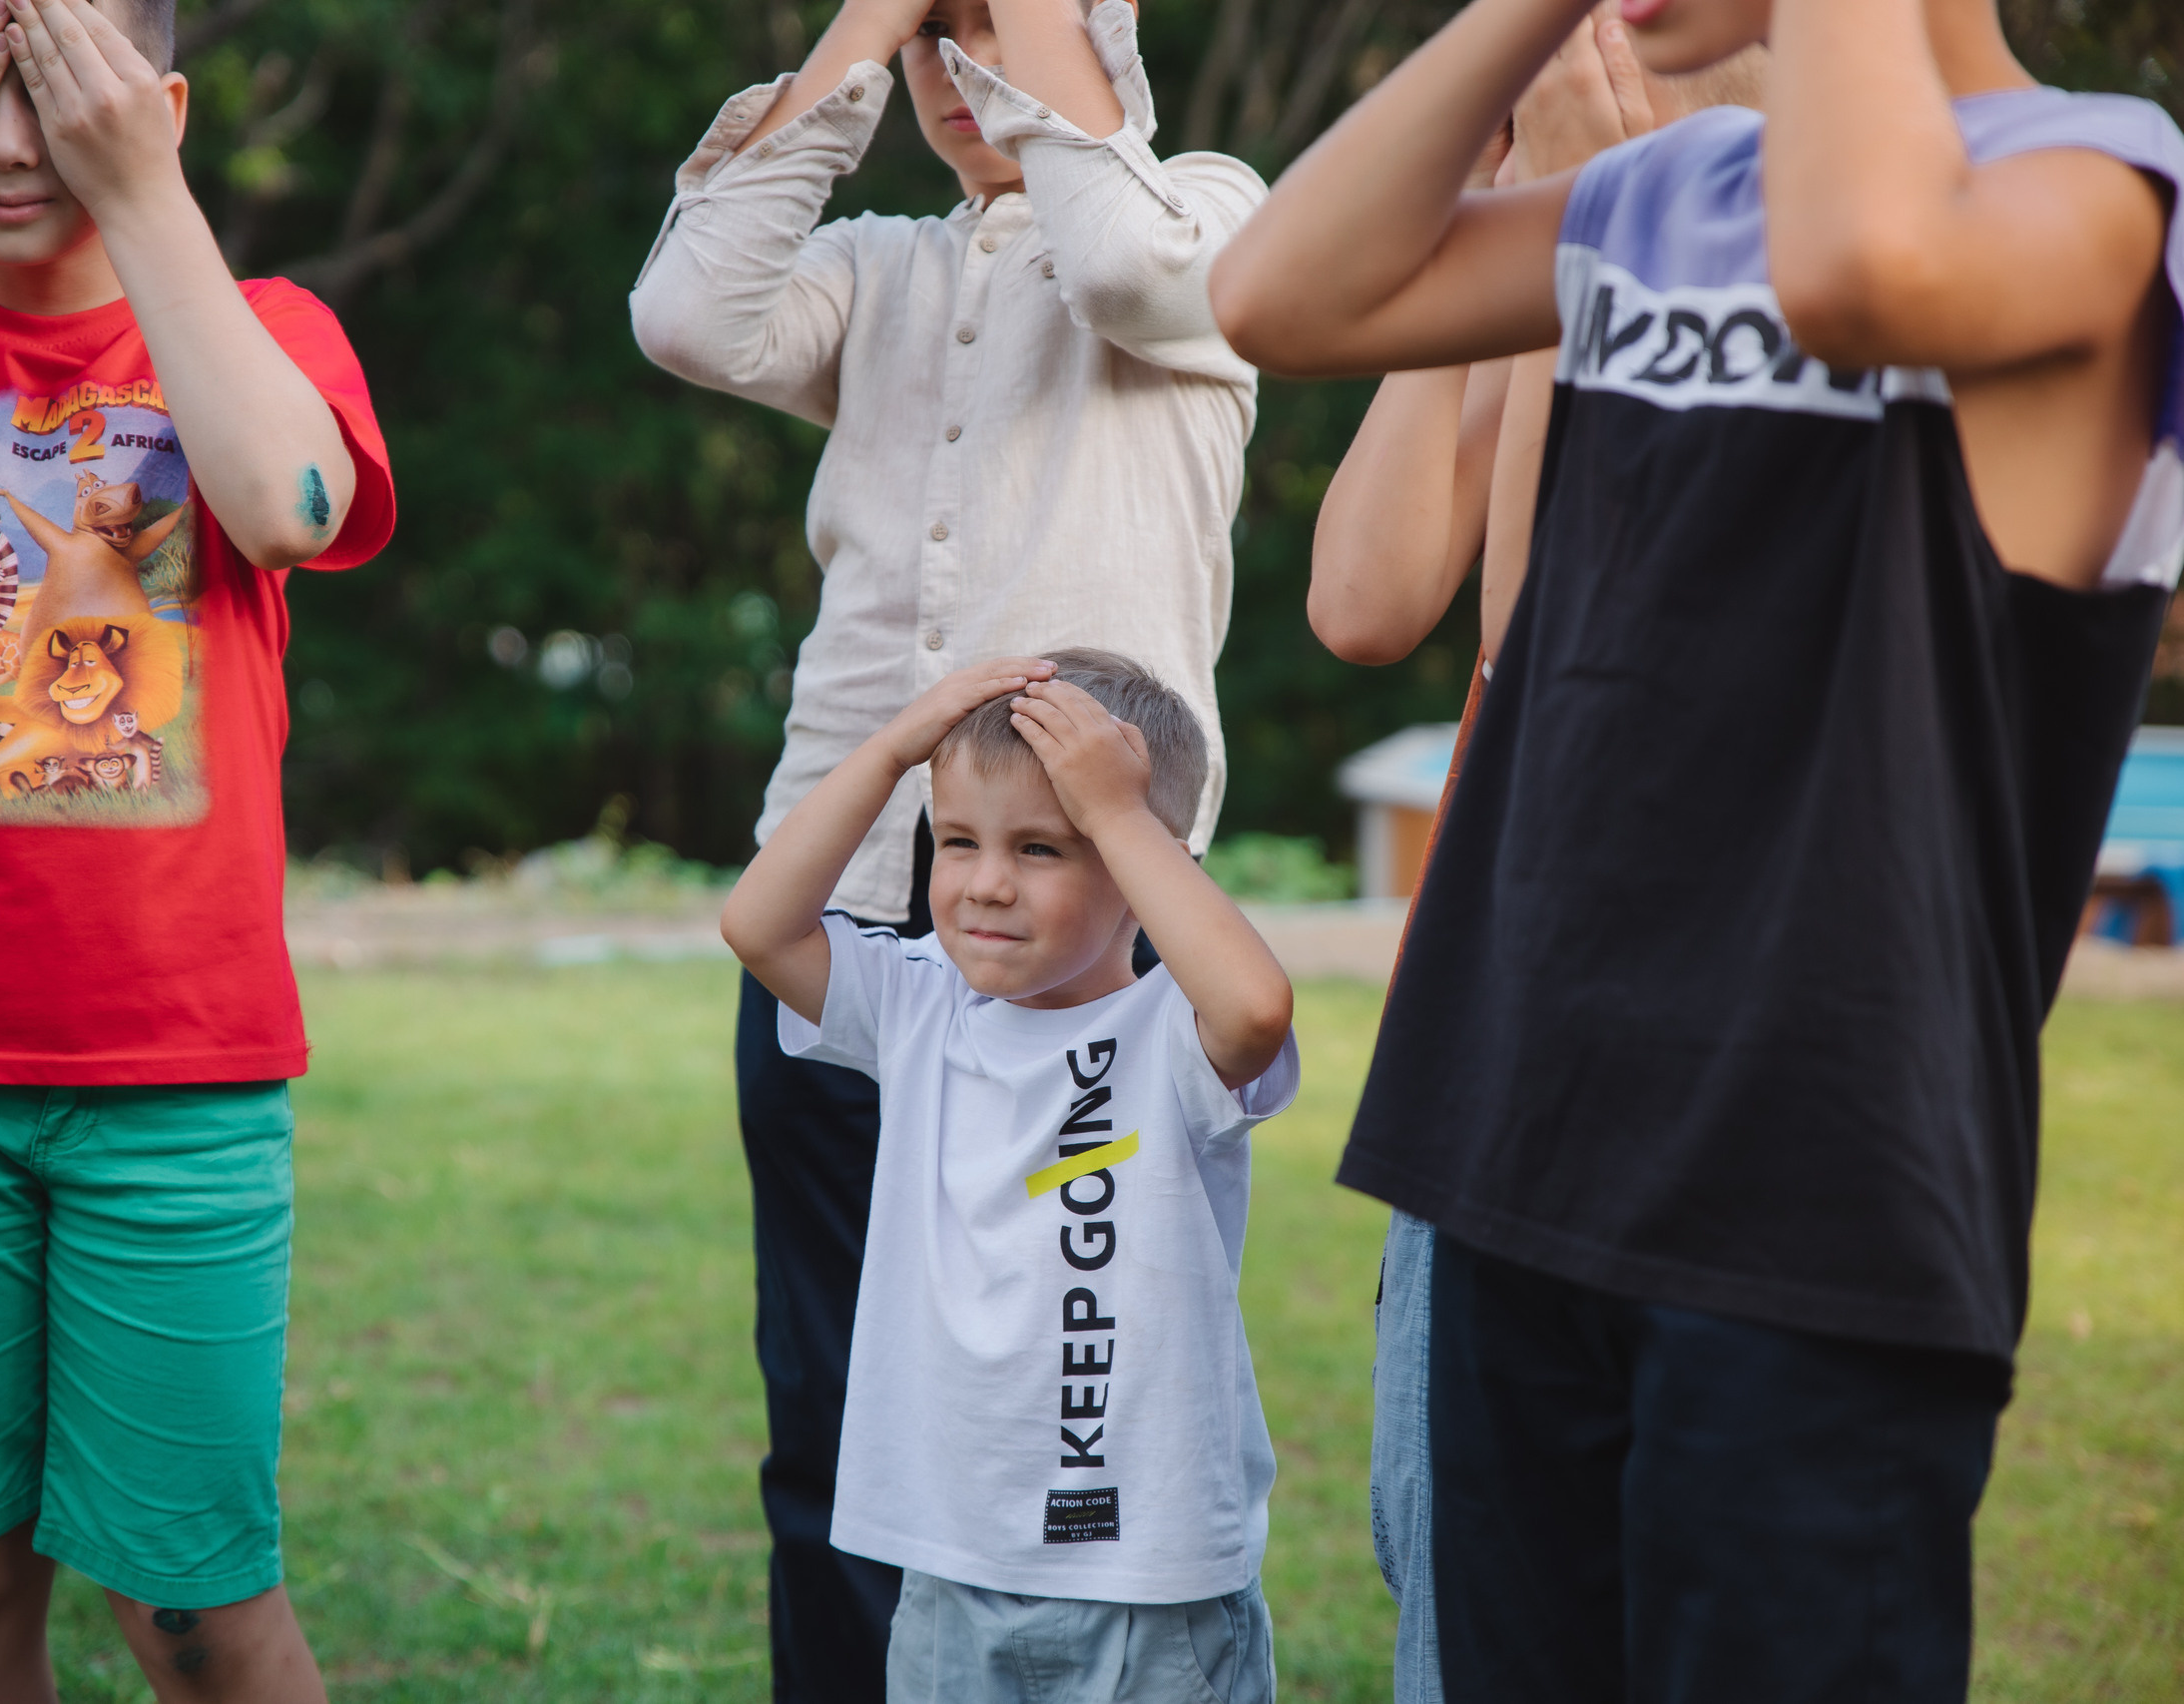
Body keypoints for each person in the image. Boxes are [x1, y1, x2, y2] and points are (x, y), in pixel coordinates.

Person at [1213, 0, 2184, 1697]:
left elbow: (1861, 275)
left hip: (1819, 1204)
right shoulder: (1658, 196)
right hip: (1524, 1150)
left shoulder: (2104, 177)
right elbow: (1281, 296)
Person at [630, 3, 1267, 1691]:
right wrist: (860, 34)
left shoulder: (1211, 209)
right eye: (940, 43)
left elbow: (1127, 277)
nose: (960, 75)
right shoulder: (883, 265)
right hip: (847, 910)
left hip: (1089, 948)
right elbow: (690, 316)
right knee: (833, 1425)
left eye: (1000, 31)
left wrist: (1026, 36)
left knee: (1070, 1390)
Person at [0, 0, 393, 1696]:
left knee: (188, 1609)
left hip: (176, 1080)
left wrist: (144, 198)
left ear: (156, 108)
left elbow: (288, 502)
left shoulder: (260, 327)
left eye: (48, 96)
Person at [1308, 18, 1764, 1699]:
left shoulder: (1771, 219)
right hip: (1490, 1019)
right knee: (1453, 1566)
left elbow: (1569, 634)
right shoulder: (1553, 227)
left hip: (1675, 1022)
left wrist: (1591, 206)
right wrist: (1470, 267)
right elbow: (1362, 602)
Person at [719, 647, 1299, 1704]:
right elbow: (758, 926)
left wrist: (1119, 815)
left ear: (1144, 864)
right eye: (961, 842)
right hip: (951, 1565)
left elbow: (1258, 1009)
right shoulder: (918, 1006)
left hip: (1149, 1582)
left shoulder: (1175, 1030)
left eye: (1042, 848)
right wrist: (897, 746)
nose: (986, 882)